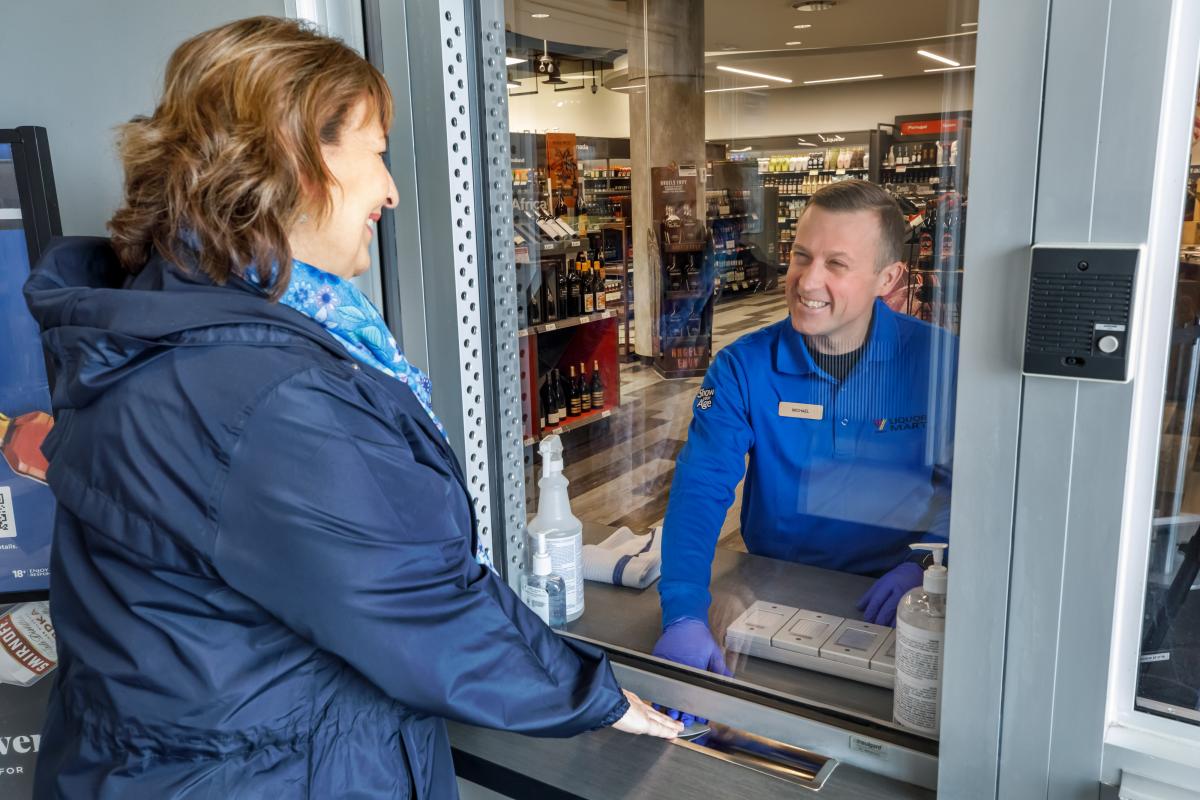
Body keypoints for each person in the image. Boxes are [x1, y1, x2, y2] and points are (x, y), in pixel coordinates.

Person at [25, 17, 679, 799]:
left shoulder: (158, 326)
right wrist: (592, 695)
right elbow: (415, 601)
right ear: (299, 162)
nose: (392, 190)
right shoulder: (265, 394)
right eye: (375, 154)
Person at [653, 180, 957, 681]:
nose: (808, 281)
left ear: (888, 277)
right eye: (801, 256)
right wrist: (684, 611)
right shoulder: (742, 367)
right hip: (772, 587)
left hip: (901, 597)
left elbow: (977, 486)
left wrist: (928, 564)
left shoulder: (940, 362)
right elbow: (700, 488)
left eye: (836, 264)